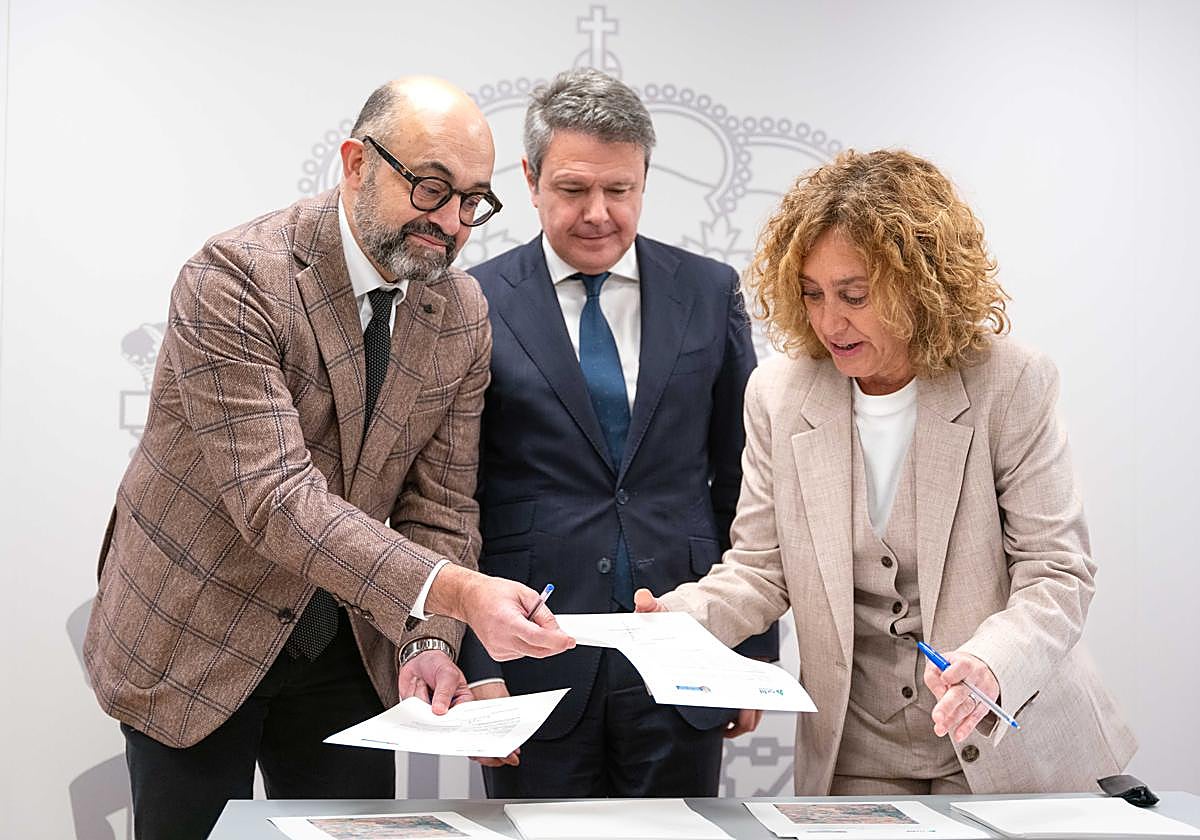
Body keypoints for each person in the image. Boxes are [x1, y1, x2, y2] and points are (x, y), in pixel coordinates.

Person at [81, 76, 573, 840]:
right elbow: (276, 499)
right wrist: (464, 594)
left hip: (342, 634)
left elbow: (438, 505)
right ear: (355, 164)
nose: (450, 222)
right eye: (431, 188)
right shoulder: (235, 280)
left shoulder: (460, 312)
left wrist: (435, 640)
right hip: (195, 628)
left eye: (472, 201)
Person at [636, 149, 1137, 795]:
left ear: (922, 285)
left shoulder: (1010, 383)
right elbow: (761, 569)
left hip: (1009, 738)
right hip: (858, 750)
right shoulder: (779, 395)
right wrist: (678, 618)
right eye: (812, 294)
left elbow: (1057, 571)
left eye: (855, 295)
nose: (829, 321)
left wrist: (990, 663)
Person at [455, 67, 778, 799]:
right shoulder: (471, 303)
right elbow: (453, 500)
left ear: (644, 180)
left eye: (620, 190)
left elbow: (744, 486)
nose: (598, 212)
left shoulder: (708, 290)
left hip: (687, 647)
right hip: (531, 661)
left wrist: (750, 650)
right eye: (572, 190)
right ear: (530, 179)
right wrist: (478, 660)